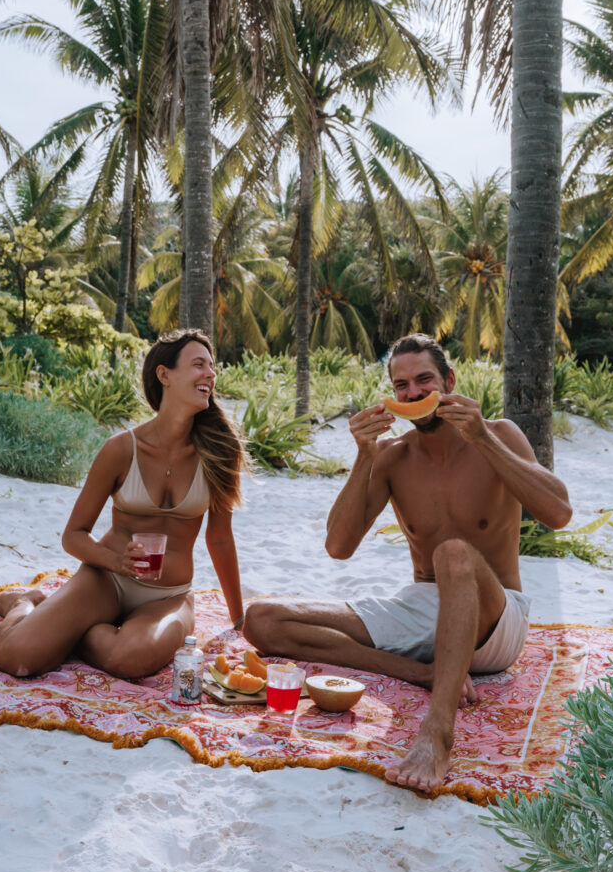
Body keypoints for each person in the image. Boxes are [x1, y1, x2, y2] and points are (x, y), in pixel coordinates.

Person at [243, 333, 571, 792]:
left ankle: (437, 732)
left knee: (453, 552)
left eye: (424, 381)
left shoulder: (498, 434)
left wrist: (482, 440)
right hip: (424, 607)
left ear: (449, 381)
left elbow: (559, 514)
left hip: (498, 619)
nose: (413, 394)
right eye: (402, 386)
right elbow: (338, 547)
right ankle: (423, 672)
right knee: (261, 619)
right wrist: (364, 456)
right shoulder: (394, 457)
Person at [0, 329, 246, 680]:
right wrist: (115, 563)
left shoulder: (220, 452)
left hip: (168, 596)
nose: (210, 374)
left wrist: (239, 618)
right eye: (198, 364)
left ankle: (71, 629)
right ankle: (24, 604)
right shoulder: (122, 449)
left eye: (212, 367)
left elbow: (219, 538)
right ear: (164, 375)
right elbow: (74, 535)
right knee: (16, 657)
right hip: (106, 581)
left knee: (131, 660)